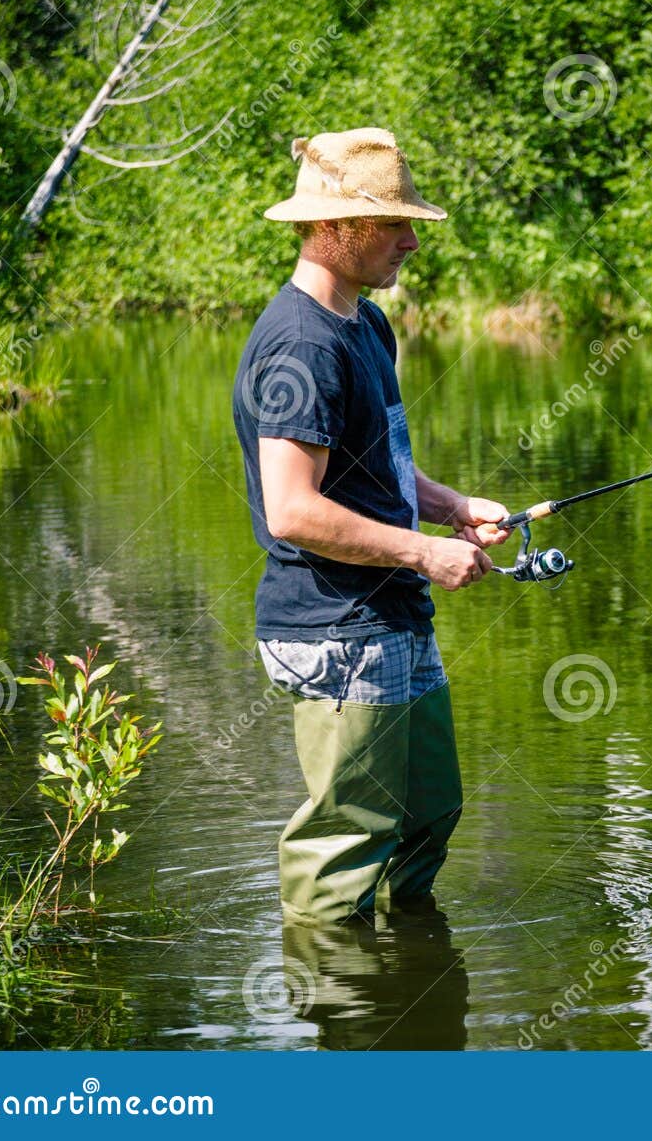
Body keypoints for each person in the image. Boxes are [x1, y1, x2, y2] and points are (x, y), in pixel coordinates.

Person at [231, 126, 509, 924]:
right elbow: (293, 508)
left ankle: (407, 1002)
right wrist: (426, 551)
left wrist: (452, 507)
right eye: (394, 223)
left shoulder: (365, 325)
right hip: (336, 630)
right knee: (345, 847)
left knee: (429, 816)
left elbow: (377, 465)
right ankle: (344, 1018)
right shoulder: (297, 345)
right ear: (333, 226)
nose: (412, 240)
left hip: (391, 615)